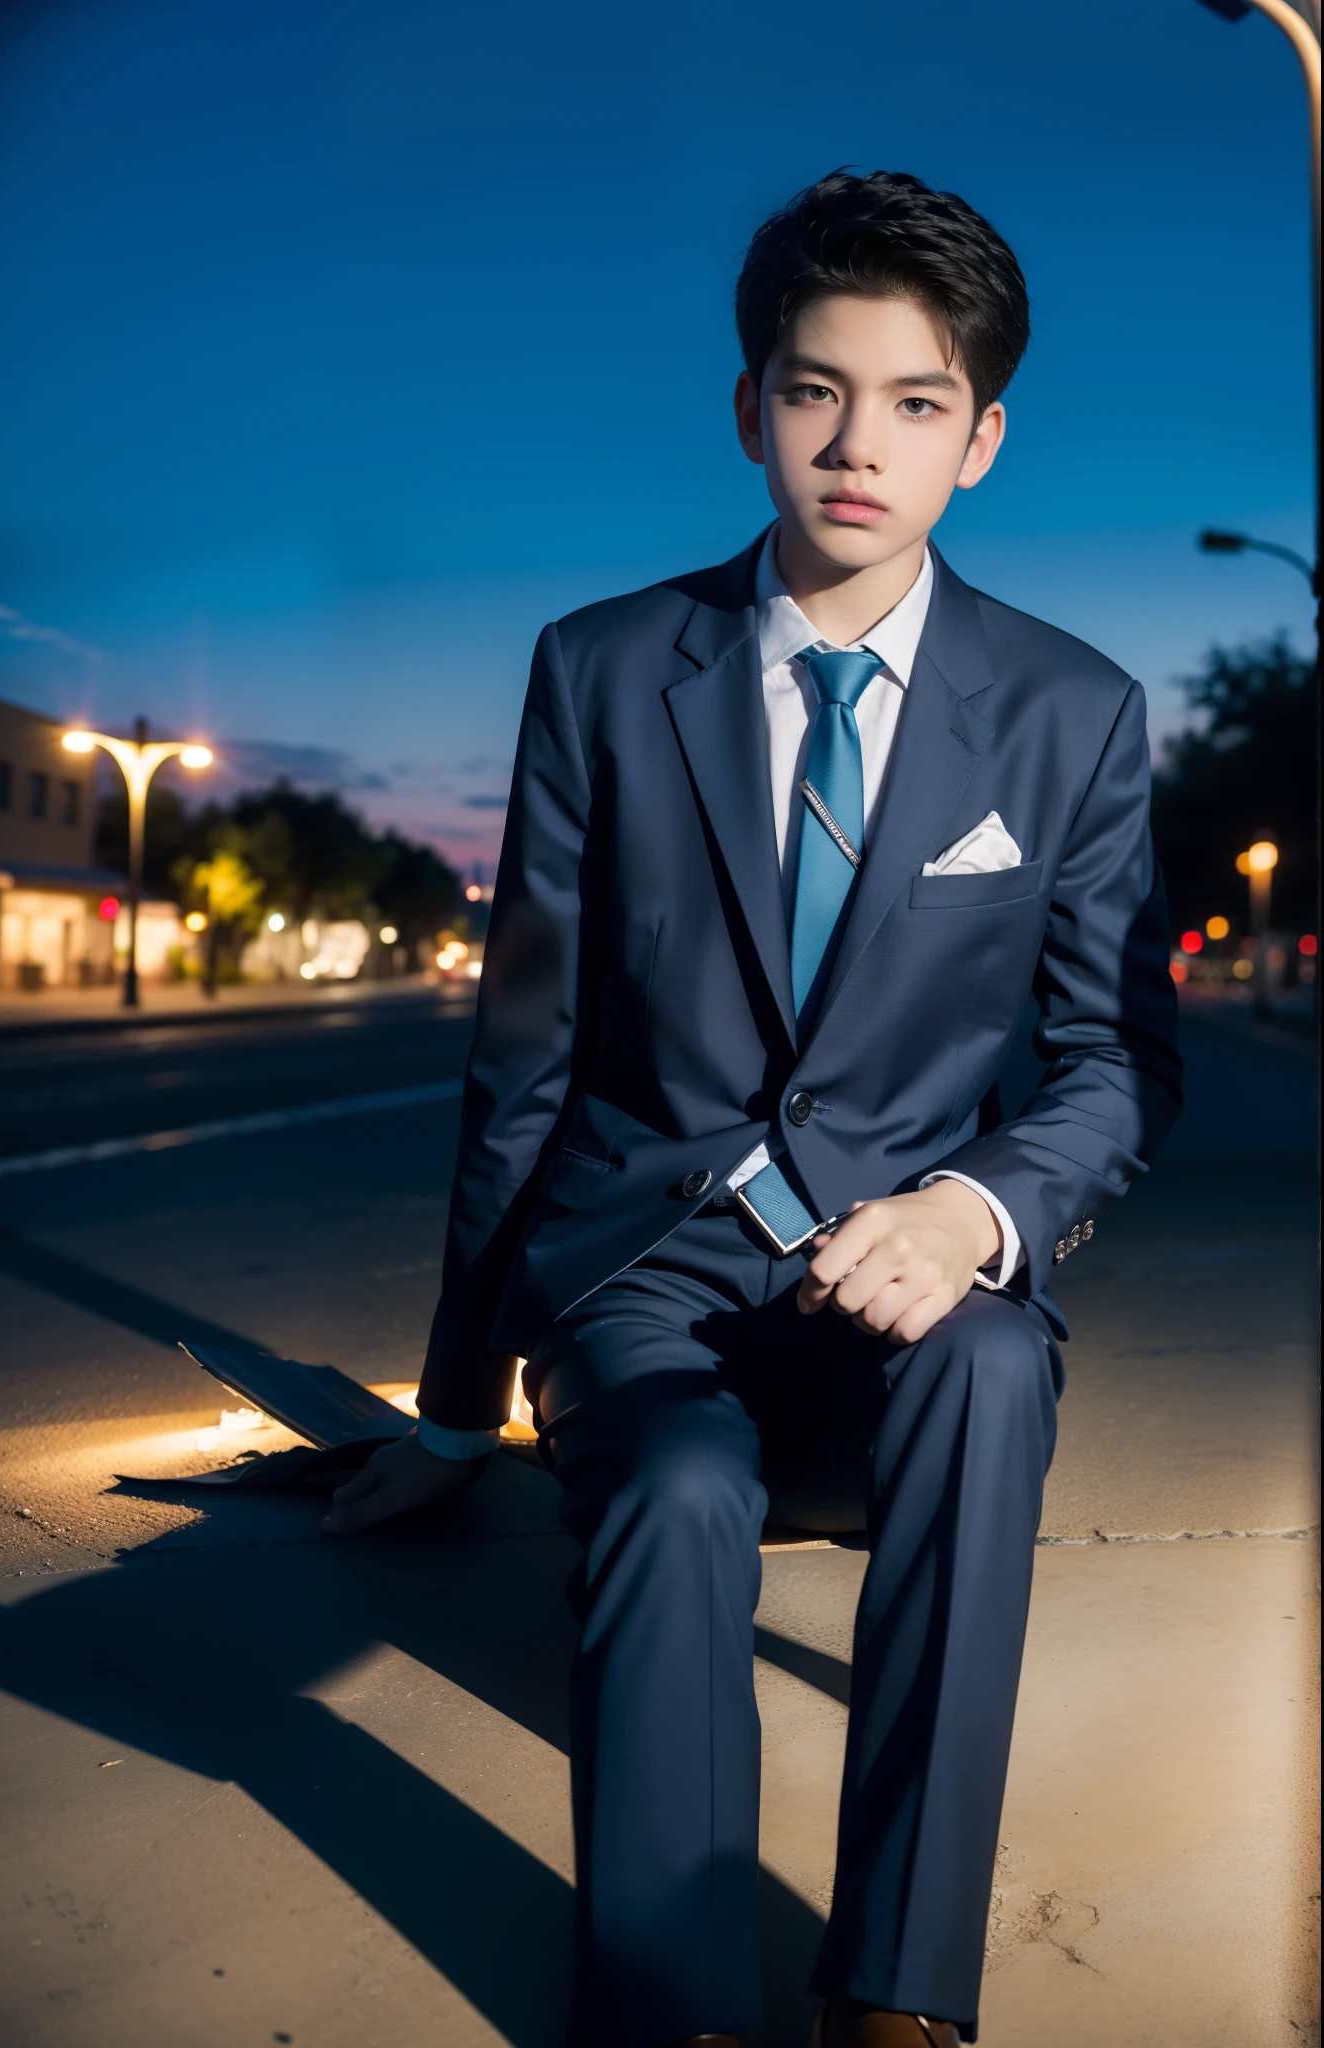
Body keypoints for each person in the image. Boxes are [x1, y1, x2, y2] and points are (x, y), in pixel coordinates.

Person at [323, 169, 1182, 2048]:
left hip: (906, 1282)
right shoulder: (606, 670)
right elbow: (523, 1063)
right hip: (648, 1276)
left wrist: (976, 1213)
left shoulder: (1075, 712)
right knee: (687, 1486)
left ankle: (900, 1995)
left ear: (984, 439)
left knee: (995, 1369)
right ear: (750, 408)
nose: (857, 445)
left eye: (916, 402)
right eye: (816, 390)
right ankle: (669, 2007)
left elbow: (1118, 1059)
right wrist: (460, 1411)